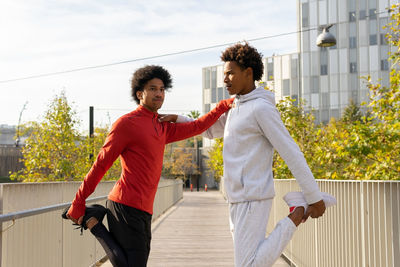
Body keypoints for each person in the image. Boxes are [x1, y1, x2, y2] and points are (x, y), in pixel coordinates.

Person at [163, 43, 327, 267]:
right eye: (224, 74)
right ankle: (295, 213)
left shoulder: (261, 108)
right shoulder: (235, 108)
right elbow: (209, 129)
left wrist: (314, 196)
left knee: (248, 265)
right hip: (237, 196)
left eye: (230, 73)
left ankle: (296, 214)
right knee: (248, 262)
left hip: (253, 195)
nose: (225, 79)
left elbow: (291, 151)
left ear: (248, 73)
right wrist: (178, 118)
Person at [63, 65, 233, 267]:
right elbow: (101, 164)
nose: (159, 94)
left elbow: (198, 126)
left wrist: (223, 105)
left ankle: (93, 223)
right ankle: (93, 224)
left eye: (162, 89)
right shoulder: (126, 124)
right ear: (139, 93)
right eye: (153, 89)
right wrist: (79, 201)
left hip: (145, 209)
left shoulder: (162, 127)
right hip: (125, 205)